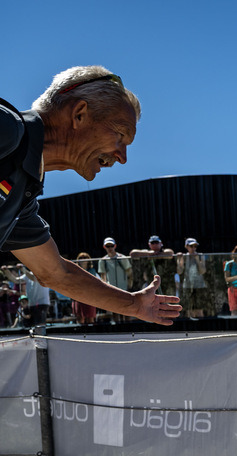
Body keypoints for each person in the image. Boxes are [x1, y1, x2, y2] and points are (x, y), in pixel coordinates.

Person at [0, 66, 179, 325]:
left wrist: (134, 305)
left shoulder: (24, 198)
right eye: (119, 134)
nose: (123, 157)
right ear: (79, 114)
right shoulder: (7, 128)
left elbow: (57, 273)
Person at [96, 237, 132, 322]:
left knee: (126, 311)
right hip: (112, 289)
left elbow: (129, 272)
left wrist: (129, 285)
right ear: (104, 247)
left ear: (115, 246)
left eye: (111, 246)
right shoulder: (102, 261)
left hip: (124, 288)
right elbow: (103, 276)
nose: (110, 248)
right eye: (107, 246)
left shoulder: (122, 257)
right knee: (115, 311)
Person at [176, 237, 208, 318]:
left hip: (199, 285)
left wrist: (197, 259)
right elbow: (179, 271)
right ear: (186, 246)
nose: (193, 248)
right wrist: (179, 260)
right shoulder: (184, 256)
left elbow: (202, 271)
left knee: (199, 309)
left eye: (195, 246)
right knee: (189, 309)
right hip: (187, 285)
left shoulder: (200, 255)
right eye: (191, 246)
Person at [71, 252, 98, 324]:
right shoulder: (74, 270)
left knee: (90, 318)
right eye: (80, 258)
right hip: (78, 297)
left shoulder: (92, 271)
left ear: (88, 260)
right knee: (80, 318)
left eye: (85, 257)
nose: (83, 259)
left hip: (89, 297)